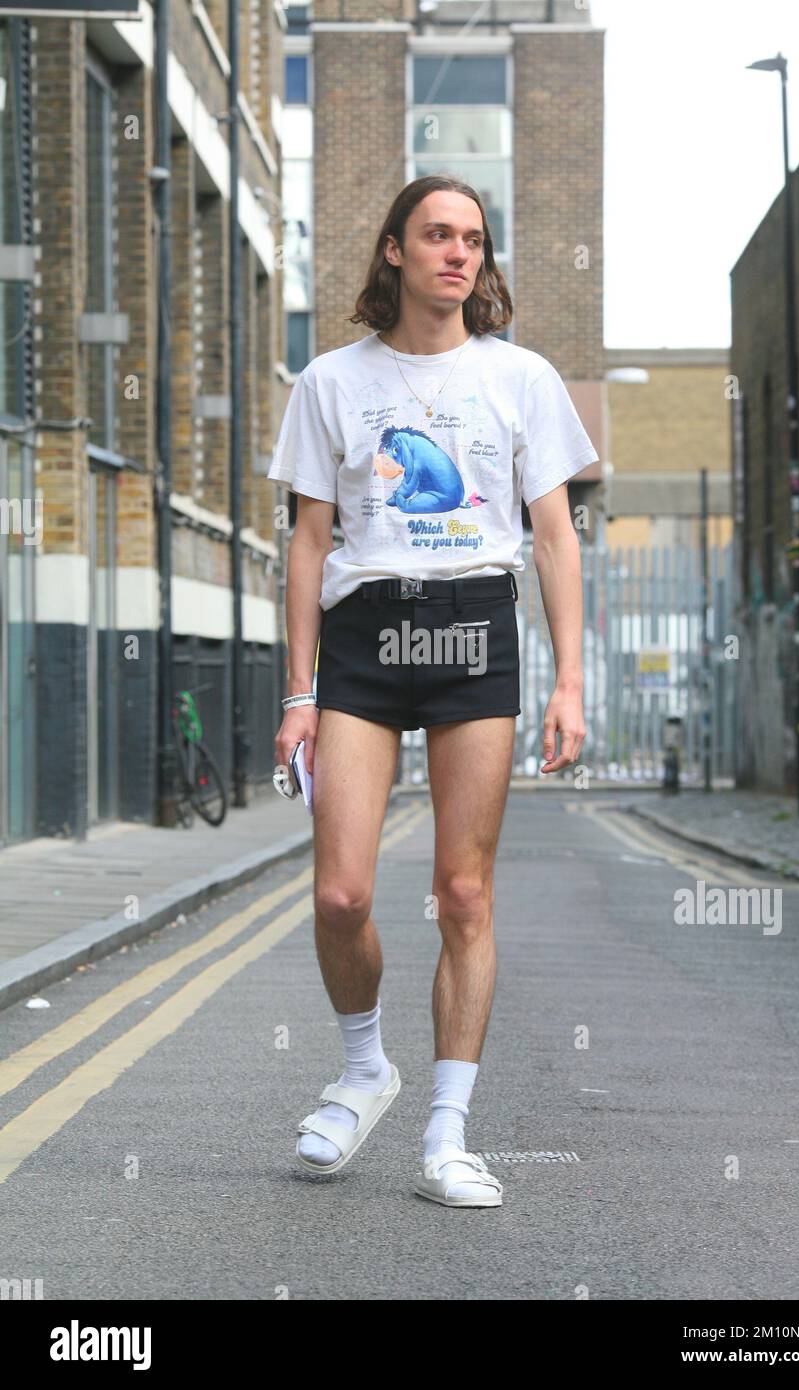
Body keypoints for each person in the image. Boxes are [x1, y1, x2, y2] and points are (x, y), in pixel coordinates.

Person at [269, 174, 596, 1207]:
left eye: (473, 240)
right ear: (394, 253)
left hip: (471, 630)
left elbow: (553, 536)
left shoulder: (521, 377)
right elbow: (309, 542)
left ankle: (447, 1134)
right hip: (365, 635)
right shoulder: (329, 381)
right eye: (438, 236)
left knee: (463, 892)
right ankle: (364, 1067)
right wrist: (298, 691)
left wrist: (567, 683)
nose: (458, 253)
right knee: (341, 894)